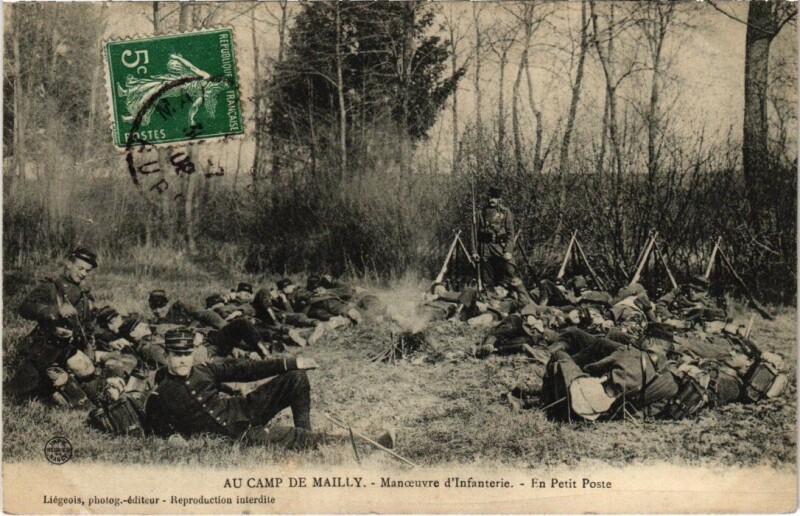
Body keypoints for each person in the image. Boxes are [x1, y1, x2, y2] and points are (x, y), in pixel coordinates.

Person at [145, 329, 396, 450]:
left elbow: (246, 371)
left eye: (186, 354)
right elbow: (158, 427)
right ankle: (370, 443)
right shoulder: (160, 395)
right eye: (176, 355)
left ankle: (306, 434)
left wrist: (290, 362)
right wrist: (173, 438)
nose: (182, 361)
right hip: (236, 435)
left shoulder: (204, 370)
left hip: (245, 409)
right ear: (166, 355)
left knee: (296, 377)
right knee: (286, 436)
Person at [472, 186, 529, 303]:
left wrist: (508, 250)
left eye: (495, 197)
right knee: (487, 276)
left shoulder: (505, 212)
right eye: (490, 197)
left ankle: (520, 296)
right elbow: (473, 234)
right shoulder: (480, 213)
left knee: (510, 269)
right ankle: (491, 299)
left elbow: (510, 233)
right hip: (485, 247)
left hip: (500, 246)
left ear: (499, 199)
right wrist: (474, 251)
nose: (492, 200)